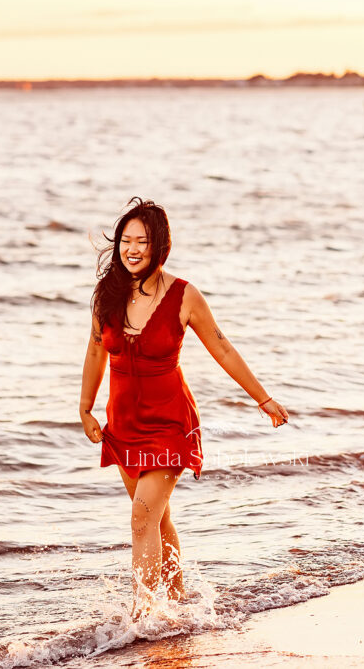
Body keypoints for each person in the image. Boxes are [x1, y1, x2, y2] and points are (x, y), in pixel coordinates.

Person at [78, 197, 289, 618]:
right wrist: (85, 408)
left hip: (170, 422)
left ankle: (144, 618)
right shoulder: (108, 294)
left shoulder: (184, 295)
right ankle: (177, 603)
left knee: (142, 519)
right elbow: (96, 349)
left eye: (142, 241)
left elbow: (222, 348)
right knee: (157, 518)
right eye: (126, 240)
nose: (132, 249)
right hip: (123, 424)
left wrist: (262, 398)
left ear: (160, 247)